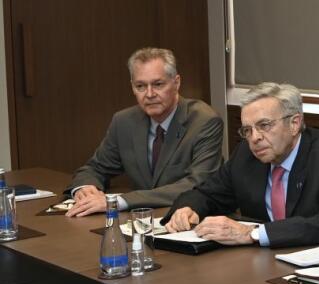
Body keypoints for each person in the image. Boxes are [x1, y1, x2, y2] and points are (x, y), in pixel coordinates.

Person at [165, 82, 319, 248]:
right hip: (259, 262)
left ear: (294, 123)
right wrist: (189, 208)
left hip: (311, 262)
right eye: (247, 130)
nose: (255, 138)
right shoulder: (246, 155)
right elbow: (208, 194)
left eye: (264, 125)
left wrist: (253, 233)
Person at [67, 48, 223, 216]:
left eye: (158, 84)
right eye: (140, 86)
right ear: (132, 87)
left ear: (176, 83)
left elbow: (199, 183)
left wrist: (119, 201)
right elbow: (95, 168)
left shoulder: (203, 121)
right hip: (141, 220)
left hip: (188, 218)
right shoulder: (124, 121)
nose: (149, 94)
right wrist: (86, 188)